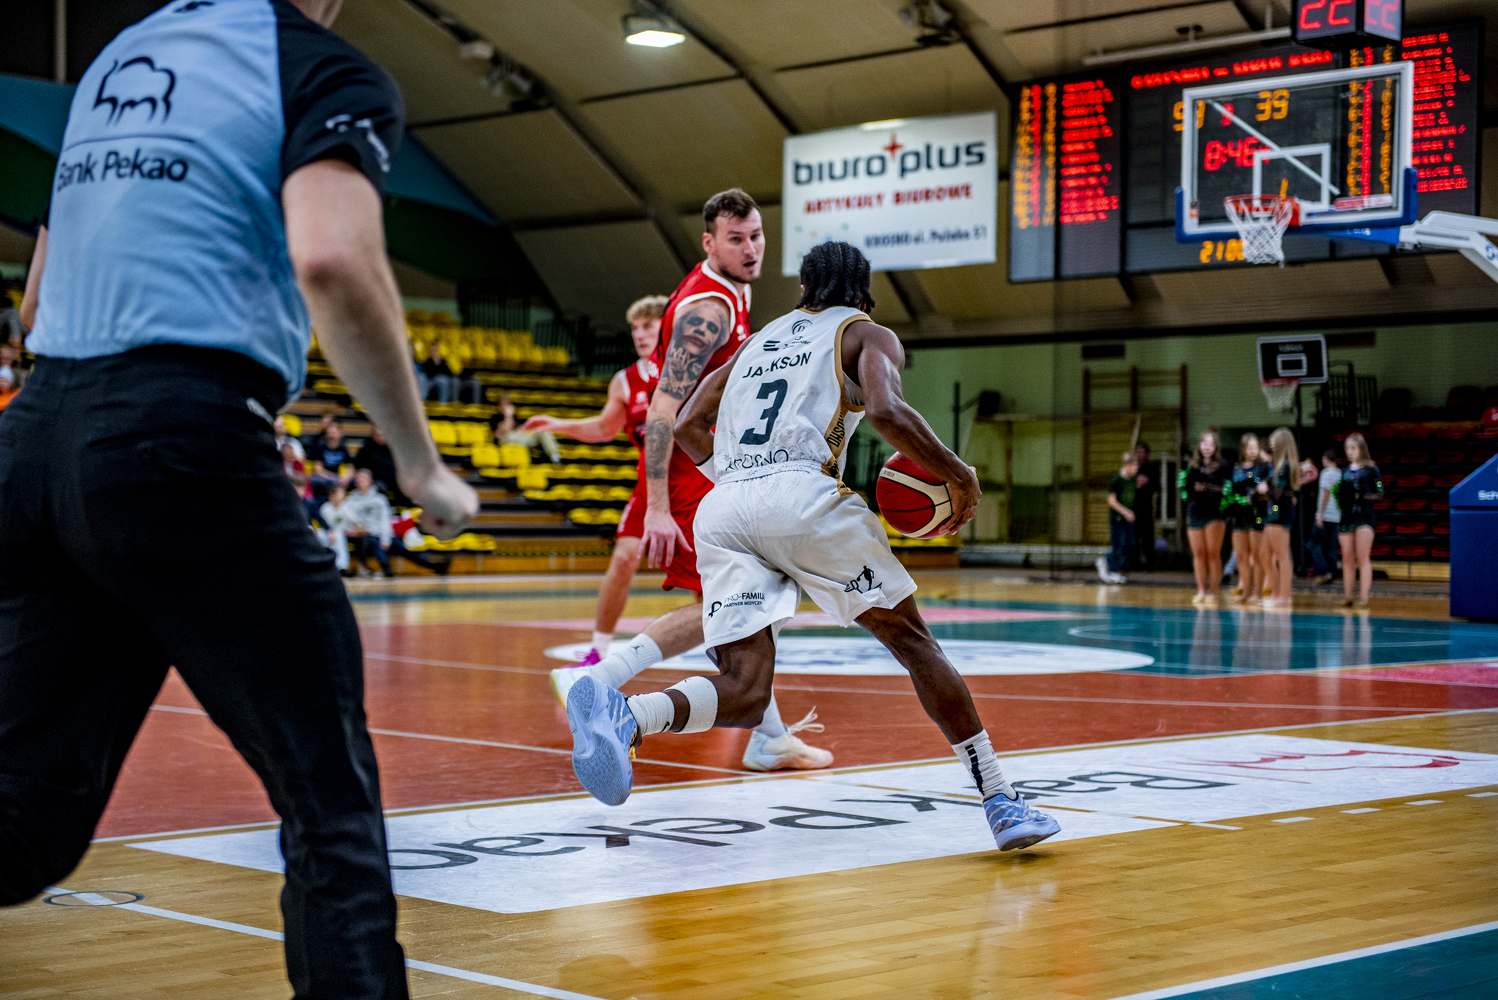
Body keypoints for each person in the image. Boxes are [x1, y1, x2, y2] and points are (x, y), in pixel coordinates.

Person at [2, 2, 479, 997]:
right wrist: (420, 464)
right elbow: (332, 257)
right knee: (325, 799)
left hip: (34, 442)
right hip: (181, 440)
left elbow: (38, 301)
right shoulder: (317, 66)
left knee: (22, 818)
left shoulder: (120, 56)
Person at [564, 241, 1061, 852]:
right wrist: (960, 476)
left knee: (746, 691)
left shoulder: (755, 342)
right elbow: (887, 411)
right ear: (864, 291)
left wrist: (738, 478)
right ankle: (1001, 800)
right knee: (914, 643)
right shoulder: (865, 333)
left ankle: (628, 716)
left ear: (804, 289)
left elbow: (687, 422)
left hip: (727, 507)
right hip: (803, 496)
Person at [550, 189, 833, 773]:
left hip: (710, 470)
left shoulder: (732, 288)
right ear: (710, 242)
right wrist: (657, 507)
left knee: (741, 604)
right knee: (737, 602)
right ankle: (602, 682)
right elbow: (662, 409)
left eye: (756, 235)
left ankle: (769, 737)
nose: (751, 248)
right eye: (736, 239)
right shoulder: (709, 310)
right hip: (691, 476)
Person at [523, 294, 666, 661]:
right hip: (650, 483)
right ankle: (598, 649)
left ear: (667, 326)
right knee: (623, 559)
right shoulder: (624, 381)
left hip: (695, 479)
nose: (639, 334)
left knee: (705, 570)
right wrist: (559, 425)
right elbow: (604, 428)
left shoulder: (687, 369)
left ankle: (726, 651)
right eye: (634, 328)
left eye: (647, 326)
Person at [1180, 430, 1229, 603]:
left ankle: (1213, 591)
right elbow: (1186, 489)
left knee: (1212, 553)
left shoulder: (1223, 465)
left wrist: (1207, 487)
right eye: (1204, 443)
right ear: (1199, 445)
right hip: (1195, 511)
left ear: (1215, 447)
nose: (1207, 447)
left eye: (1211, 444)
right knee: (1198, 554)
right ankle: (1201, 590)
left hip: (1214, 513)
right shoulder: (1192, 465)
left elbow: (1226, 489)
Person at [1338, 432, 1383, 608]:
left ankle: (1364, 597)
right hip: (1346, 517)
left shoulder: (1372, 469)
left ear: (1361, 449)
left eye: (1353, 448)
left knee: (1362, 558)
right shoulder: (1344, 471)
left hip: (1364, 517)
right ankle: (1348, 596)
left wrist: (1361, 496)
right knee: (1347, 558)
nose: (1349, 452)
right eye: (1347, 448)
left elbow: (1380, 493)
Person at [1260, 427, 1300, 608]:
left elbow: (1276, 494)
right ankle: (1276, 594)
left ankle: (1285, 596)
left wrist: (1264, 490)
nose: (1271, 446)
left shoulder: (1284, 466)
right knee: (1264, 554)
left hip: (1280, 512)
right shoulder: (1277, 466)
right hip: (1273, 512)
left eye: (1273, 443)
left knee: (1282, 555)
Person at [1225, 434, 1266, 603]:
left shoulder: (1263, 468)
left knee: (1257, 556)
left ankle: (1258, 593)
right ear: (1243, 449)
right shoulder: (1236, 468)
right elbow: (1230, 490)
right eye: (1249, 447)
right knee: (1241, 556)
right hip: (1238, 516)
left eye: (1255, 447)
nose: (1253, 451)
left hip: (1256, 515)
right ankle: (1246, 591)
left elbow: (1265, 488)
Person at [1097, 451, 1137, 585]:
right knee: (1118, 545)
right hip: (1118, 518)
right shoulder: (1117, 481)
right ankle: (1114, 571)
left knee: (1130, 544)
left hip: (1128, 518)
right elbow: (1111, 501)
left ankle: (1105, 560)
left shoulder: (1132, 480)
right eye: (1134, 466)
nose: (1136, 469)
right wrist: (1125, 512)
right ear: (1127, 465)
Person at [345, 468, 394, 578]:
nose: (360, 482)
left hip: (376, 533)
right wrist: (352, 530)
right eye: (358, 480)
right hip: (358, 535)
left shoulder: (380, 500)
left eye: (363, 479)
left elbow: (385, 520)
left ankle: (380, 568)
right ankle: (382, 568)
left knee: (375, 541)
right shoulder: (350, 500)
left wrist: (386, 538)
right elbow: (347, 519)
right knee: (366, 539)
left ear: (370, 481)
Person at [493, 392, 561, 464]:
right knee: (510, 436)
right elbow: (506, 431)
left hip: (519, 438)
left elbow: (518, 429)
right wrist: (508, 416)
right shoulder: (495, 417)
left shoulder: (514, 417)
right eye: (503, 404)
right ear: (499, 405)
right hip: (506, 440)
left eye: (508, 404)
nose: (505, 407)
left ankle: (555, 457)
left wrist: (523, 428)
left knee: (542, 430)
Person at [1310, 447, 1343, 585]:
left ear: (1325, 459)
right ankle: (1332, 573)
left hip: (1325, 514)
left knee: (1313, 543)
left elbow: (1325, 494)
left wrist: (1320, 514)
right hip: (1336, 515)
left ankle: (1323, 571)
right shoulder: (1340, 473)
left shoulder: (1325, 473)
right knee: (1331, 547)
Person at [352, 424, 404, 504]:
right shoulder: (367, 448)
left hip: (394, 479)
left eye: (382, 435)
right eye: (377, 435)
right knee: (380, 487)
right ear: (373, 435)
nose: (380, 438)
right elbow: (355, 466)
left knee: (406, 486)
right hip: (375, 481)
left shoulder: (394, 448)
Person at [1131, 442, 1157, 571]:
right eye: (1137, 452)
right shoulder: (1133, 468)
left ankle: (1150, 565)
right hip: (1133, 508)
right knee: (1134, 537)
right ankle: (1134, 564)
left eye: (1141, 452)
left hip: (1146, 507)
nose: (1139, 455)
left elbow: (1155, 485)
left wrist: (1146, 481)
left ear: (1147, 453)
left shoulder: (1152, 468)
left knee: (1148, 538)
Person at [319, 483, 354, 575]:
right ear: (331, 496)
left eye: (342, 495)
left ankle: (341, 567)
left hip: (342, 534)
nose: (342, 498)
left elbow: (355, 521)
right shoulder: (325, 508)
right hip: (328, 533)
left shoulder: (346, 507)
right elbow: (324, 525)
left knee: (338, 536)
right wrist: (331, 532)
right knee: (325, 535)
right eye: (339, 495)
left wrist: (352, 529)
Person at [308, 418, 353, 490]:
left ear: (339, 434)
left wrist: (346, 477)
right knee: (314, 479)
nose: (331, 436)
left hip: (339, 478)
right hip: (324, 478)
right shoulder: (320, 449)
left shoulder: (343, 450)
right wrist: (335, 478)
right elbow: (318, 470)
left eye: (333, 433)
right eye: (329, 433)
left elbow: (350, 468)